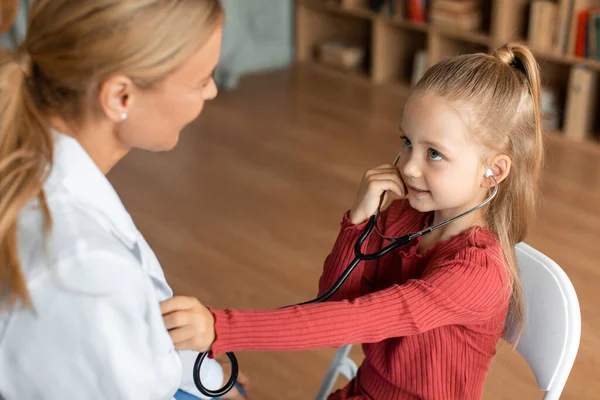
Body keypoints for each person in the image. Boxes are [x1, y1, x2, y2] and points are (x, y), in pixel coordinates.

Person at [160, 42, 545, 400]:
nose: (408, 166)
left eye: (435, 154)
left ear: (493, 170)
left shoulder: (478, 272)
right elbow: (337, 295)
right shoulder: (405, 218)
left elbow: (354, 319)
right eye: (407, 142)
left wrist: (221, 328)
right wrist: (359, 220)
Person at [0, 1, 248, 399]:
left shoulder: (38, 161)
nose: (213, 91)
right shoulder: (83, 269)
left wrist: (212, 380)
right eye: (201, 80)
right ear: (120, 96)